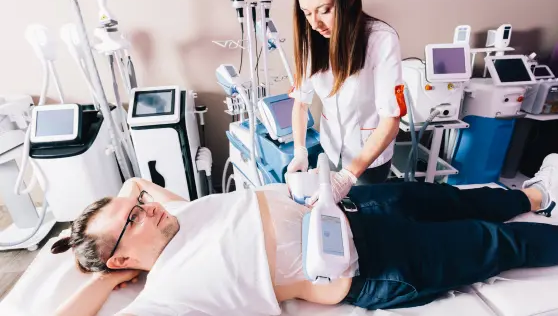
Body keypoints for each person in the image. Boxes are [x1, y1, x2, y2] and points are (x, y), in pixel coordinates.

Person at [51, 154, 558, 315]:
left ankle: (537, 196)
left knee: (458, 199)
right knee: (495, 243)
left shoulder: (182, 215)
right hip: (373, 262)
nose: (146, 208)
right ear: (120, 259)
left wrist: (127, 209)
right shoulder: (168, 293)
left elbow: (136, 184)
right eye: (132, 219)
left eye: (139, 208)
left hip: (356, 204)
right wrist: (100, 277)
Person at [288, 0, 406, 201]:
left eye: (325, 10)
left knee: (367, 220)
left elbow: (390, 121)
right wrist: (299, 151)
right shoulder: (312, 40)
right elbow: (300, 103)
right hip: (331, 149)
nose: (315, 23)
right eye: (307, 13)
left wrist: (348, 176)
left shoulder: (381, 40)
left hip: (369, 156)